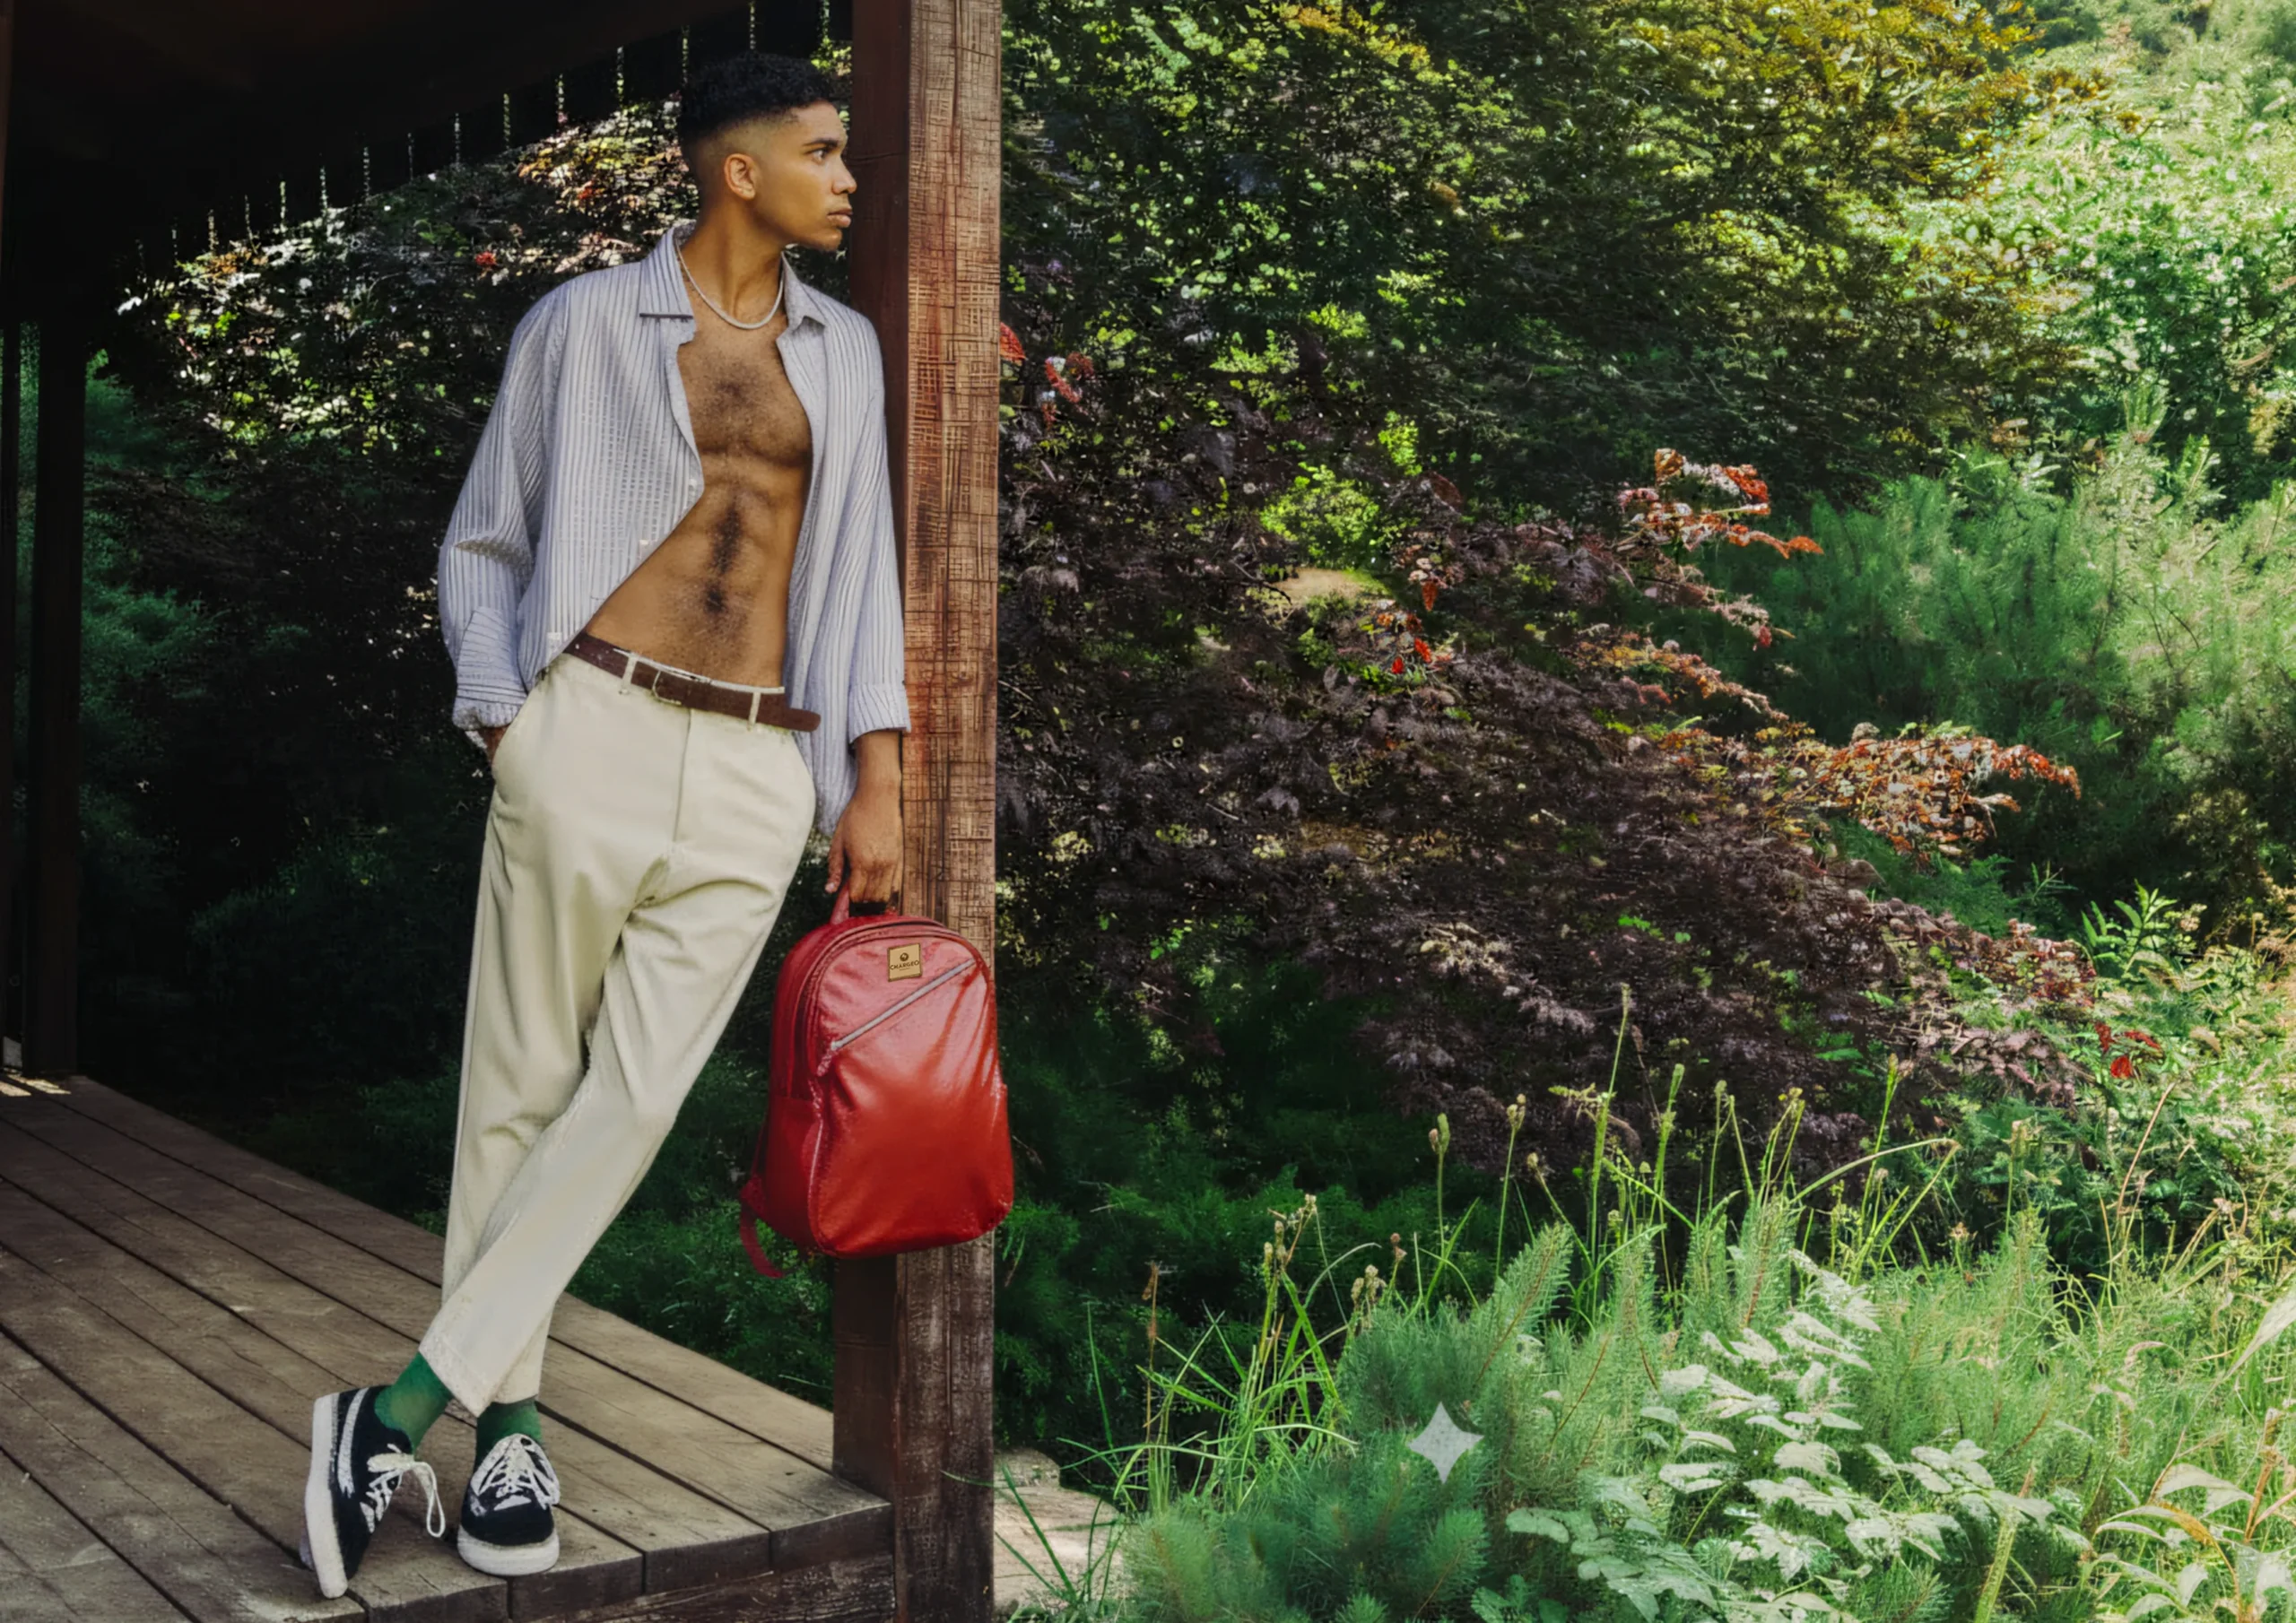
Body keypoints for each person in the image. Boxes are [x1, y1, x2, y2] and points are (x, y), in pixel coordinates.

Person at [299, 50, 910, 1598]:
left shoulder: (844, 355)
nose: (848, 177)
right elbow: (487, 537)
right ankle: (510, 1428)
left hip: (761, 763)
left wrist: (875, 773)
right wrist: (511, 722)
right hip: (591, 723)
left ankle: (399, 1410)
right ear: (737, 168)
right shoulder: (580, 324)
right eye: (824, 151)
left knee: (629, 1100)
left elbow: (865, 580)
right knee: (515, 1087)